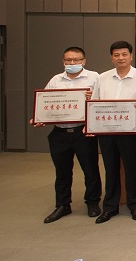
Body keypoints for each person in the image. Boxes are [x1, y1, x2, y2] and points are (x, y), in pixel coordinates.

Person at [91, 40, 136, 223]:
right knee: (110, 169)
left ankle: (135, 206)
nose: (121, 58)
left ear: (131, 56)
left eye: (124, 54)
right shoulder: (102, 78)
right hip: (106, 131)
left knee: (132, 168)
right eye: (116, 55)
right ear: (111, 58)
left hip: (131, 131)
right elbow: (94, 103)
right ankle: (110, 207)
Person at [37, 47, 102, 223]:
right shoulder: (56, 80)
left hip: (83, 131)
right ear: (63, 61)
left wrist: (92, 98)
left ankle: (92, 202)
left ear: (84, 61)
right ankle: (63, 205)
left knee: (90, 169)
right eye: (68, 60)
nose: (72, 63)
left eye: (76, 60)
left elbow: (101, 101)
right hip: (60, 133)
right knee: (62, 171)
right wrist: (39, 118)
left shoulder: (94, 78)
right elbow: (45, 102)